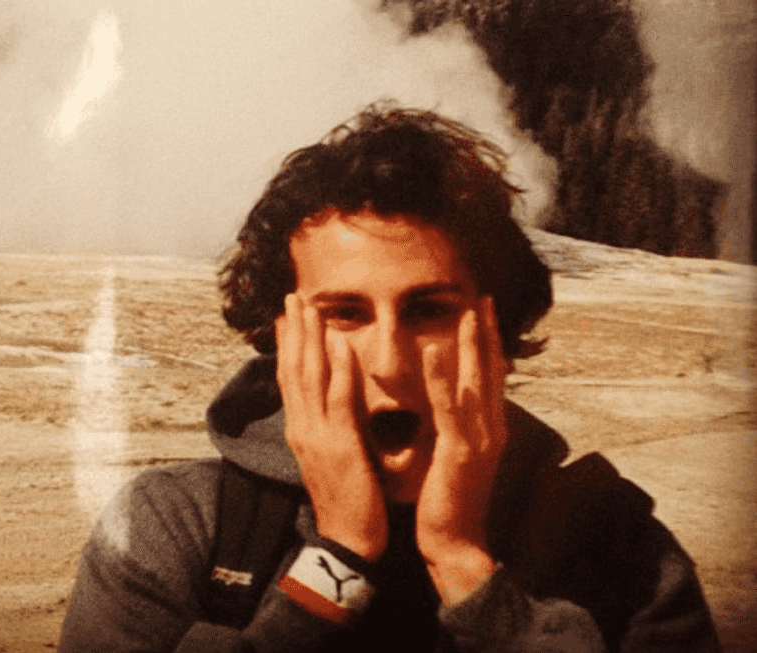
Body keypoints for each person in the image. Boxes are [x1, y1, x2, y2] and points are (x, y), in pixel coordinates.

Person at [58, 104, 721, 652]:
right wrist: (338, 559)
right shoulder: (175, 527)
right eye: (345, 313)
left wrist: (465, 567)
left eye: (429, 310)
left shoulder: (619, 553)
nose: (389, 362)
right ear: (281, 338)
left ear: (500, 330)